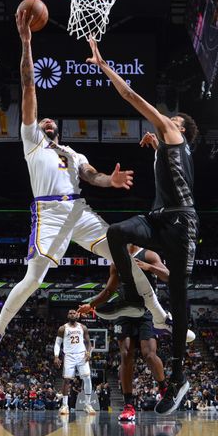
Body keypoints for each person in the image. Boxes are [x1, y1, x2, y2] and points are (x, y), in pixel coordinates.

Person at [0, 9, 172, 367]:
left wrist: (109, 181)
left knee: (124, 255)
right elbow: (27, 85)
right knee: (34, 279)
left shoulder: (72, 151)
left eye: (52, 120)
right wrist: (26, 41)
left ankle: (159, 313)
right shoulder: (32, 141)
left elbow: (91, 175)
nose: (48, 119)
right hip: (49, 212)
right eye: (44, 119)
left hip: (79, 211)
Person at [87, 39, 199, 415]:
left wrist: (103, 65)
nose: (168, 119)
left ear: (179, 128)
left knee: (180, 296)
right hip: (159, 217)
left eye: (174, 120)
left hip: (182, 222)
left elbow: (131, 95)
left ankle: (180, 375)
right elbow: (171, 169)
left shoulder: (171, 129)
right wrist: (155, 151)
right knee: (116, 233)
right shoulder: (170, 148)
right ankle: (134, 296)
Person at [81, 246, 170, 422]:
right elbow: (109, 290)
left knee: (149, 355)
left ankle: (164, 389)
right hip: (124, 311)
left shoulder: (149, 254)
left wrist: (149, 267)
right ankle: (128, 405)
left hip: (147, 310)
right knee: (126, 355)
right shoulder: (117, 261)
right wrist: (91, 305)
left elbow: (168, 275)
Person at [54, 309, 96, 415]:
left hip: (81, 355)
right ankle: (64, 406)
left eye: (74, 313)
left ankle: (87, 405)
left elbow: (88, 342)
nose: (72, 314)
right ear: (68, 315)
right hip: (69, 356)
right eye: (70, 313)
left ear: (77, 315)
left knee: (87, 377)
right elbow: (57, 343)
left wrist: (88, 352)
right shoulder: (63, 328)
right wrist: (56, 356)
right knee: (67, 380)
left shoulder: (83, 327)